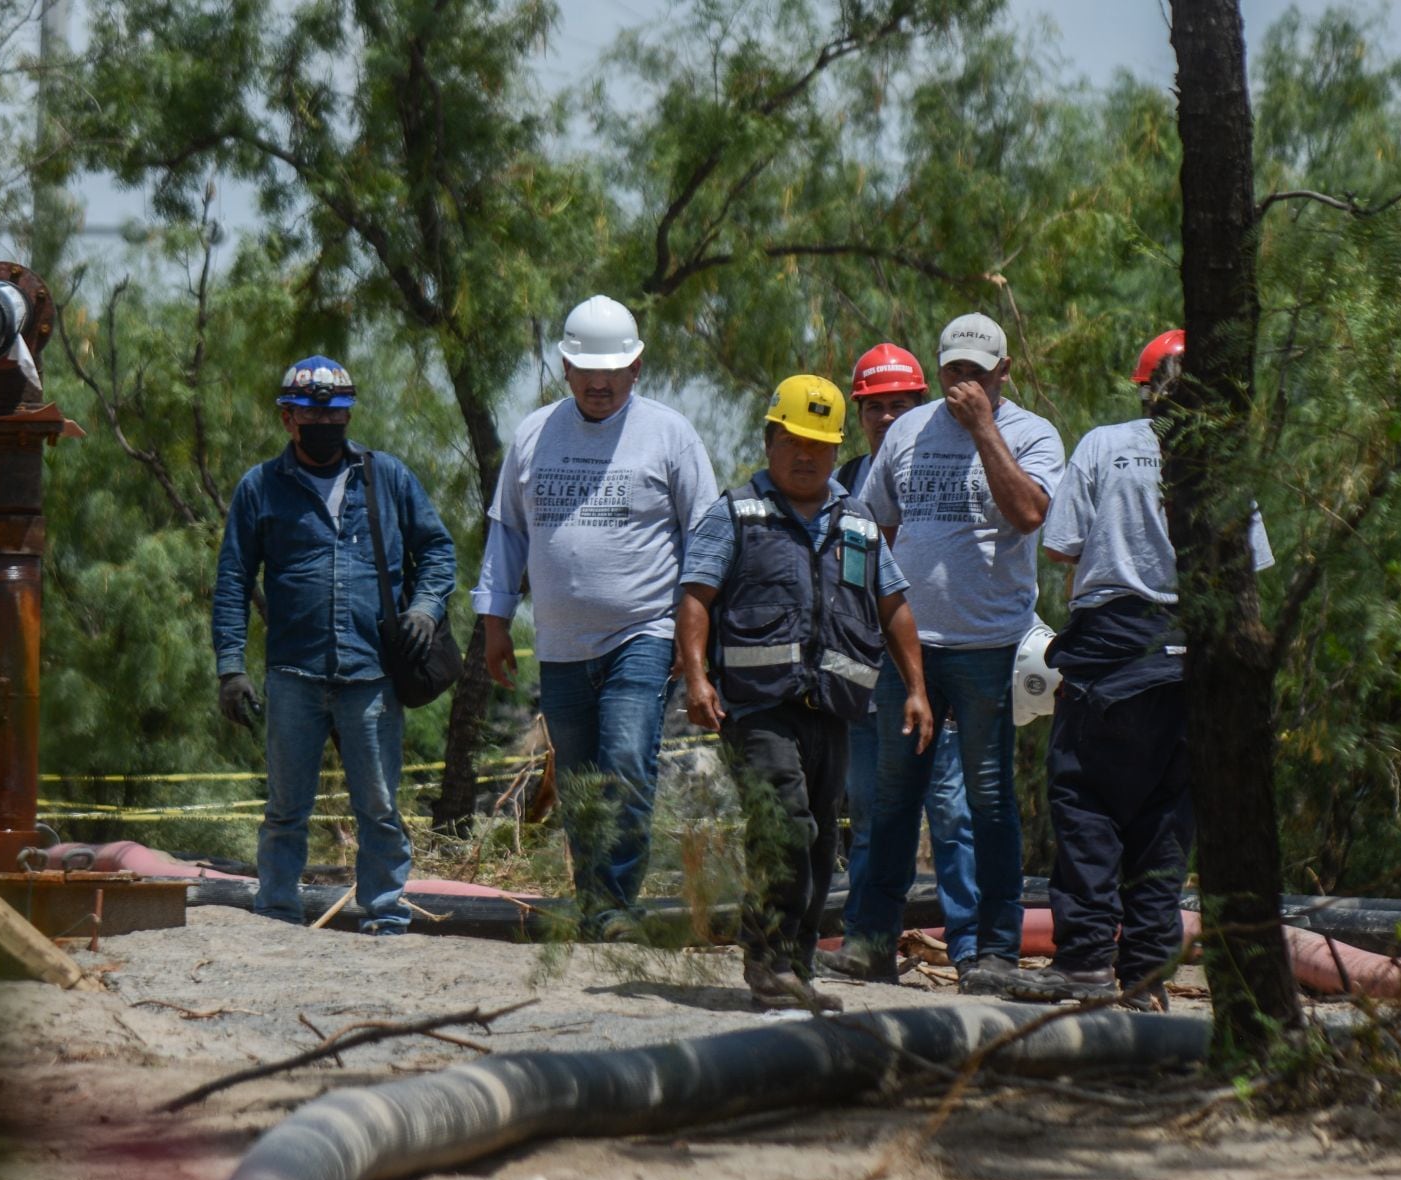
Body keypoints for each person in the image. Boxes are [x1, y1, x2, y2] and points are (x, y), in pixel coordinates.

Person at [1008, 330, 1273, 1011]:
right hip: (1192, 654)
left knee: (1087, 803)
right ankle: (1148, 977)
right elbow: (1249, 568)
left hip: (1111, 647)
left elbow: (1062, 546)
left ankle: (1089, 964)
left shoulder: (1102, 444)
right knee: (1165, 820)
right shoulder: (1225, 462)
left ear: (1145, 388)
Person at [819, 313, 1064, 995]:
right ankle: (869, 943)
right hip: (909, 652)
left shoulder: (1031, 434)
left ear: (1003, 373)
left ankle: (995, 951)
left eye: (977, 374)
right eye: (953, 370)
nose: (963, 384)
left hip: (988, 648)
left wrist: (984, 429)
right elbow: (876, 528)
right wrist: (859, 616)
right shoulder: (905, 431)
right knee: (892, 802)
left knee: (987, 803)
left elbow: (1030, 514)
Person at [677, 375, 933, 1008]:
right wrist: (696, 678)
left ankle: (792, 966)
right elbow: (695, 599)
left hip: (833, 711)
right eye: (793, 441)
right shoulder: (734, 515)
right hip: (759, 708)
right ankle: (766, 958)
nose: (806, 456)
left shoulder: (859, 524)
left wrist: (917, 689)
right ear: (769, 441)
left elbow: (894, 605)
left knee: (820, 841)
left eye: (819, 445)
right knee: (784, 827)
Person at [473, 295, 718, 930]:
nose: (600, 382)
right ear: (565, 367)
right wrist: (495, 622)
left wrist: (696, 643)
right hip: (558, 643)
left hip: (642, 631)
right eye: (588, 370)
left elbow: (709, 539)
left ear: (637, 368)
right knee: (580, 782)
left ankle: (615, 904)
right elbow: (507, 533)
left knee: (627, 762)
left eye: (614, 370)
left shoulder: (670, 435)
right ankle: (593, 900)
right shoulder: (534, 433)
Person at [212, 356, 457, 936]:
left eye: (337, 414)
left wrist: (425, 607)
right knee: (285, 809)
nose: (325, 424)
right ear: (287, 419)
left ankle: (385, 912)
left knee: (378, 805)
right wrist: (230, 666)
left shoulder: (387, 477)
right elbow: (232, 581)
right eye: (312, 414)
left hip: (371, 673)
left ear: (348, 415)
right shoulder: (261, 487)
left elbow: (439, 551)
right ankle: (275, 910)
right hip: (293, 674)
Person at [836, 343, 980, 970]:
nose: (889, 418)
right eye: (877, 407)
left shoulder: (942, 470)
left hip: (934, 669)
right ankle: (869, 946)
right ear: (858, 411)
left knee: (953, 816)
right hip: (863, 679)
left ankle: (974, 950)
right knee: (870, 815)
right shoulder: (839, 483)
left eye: (902, 405)